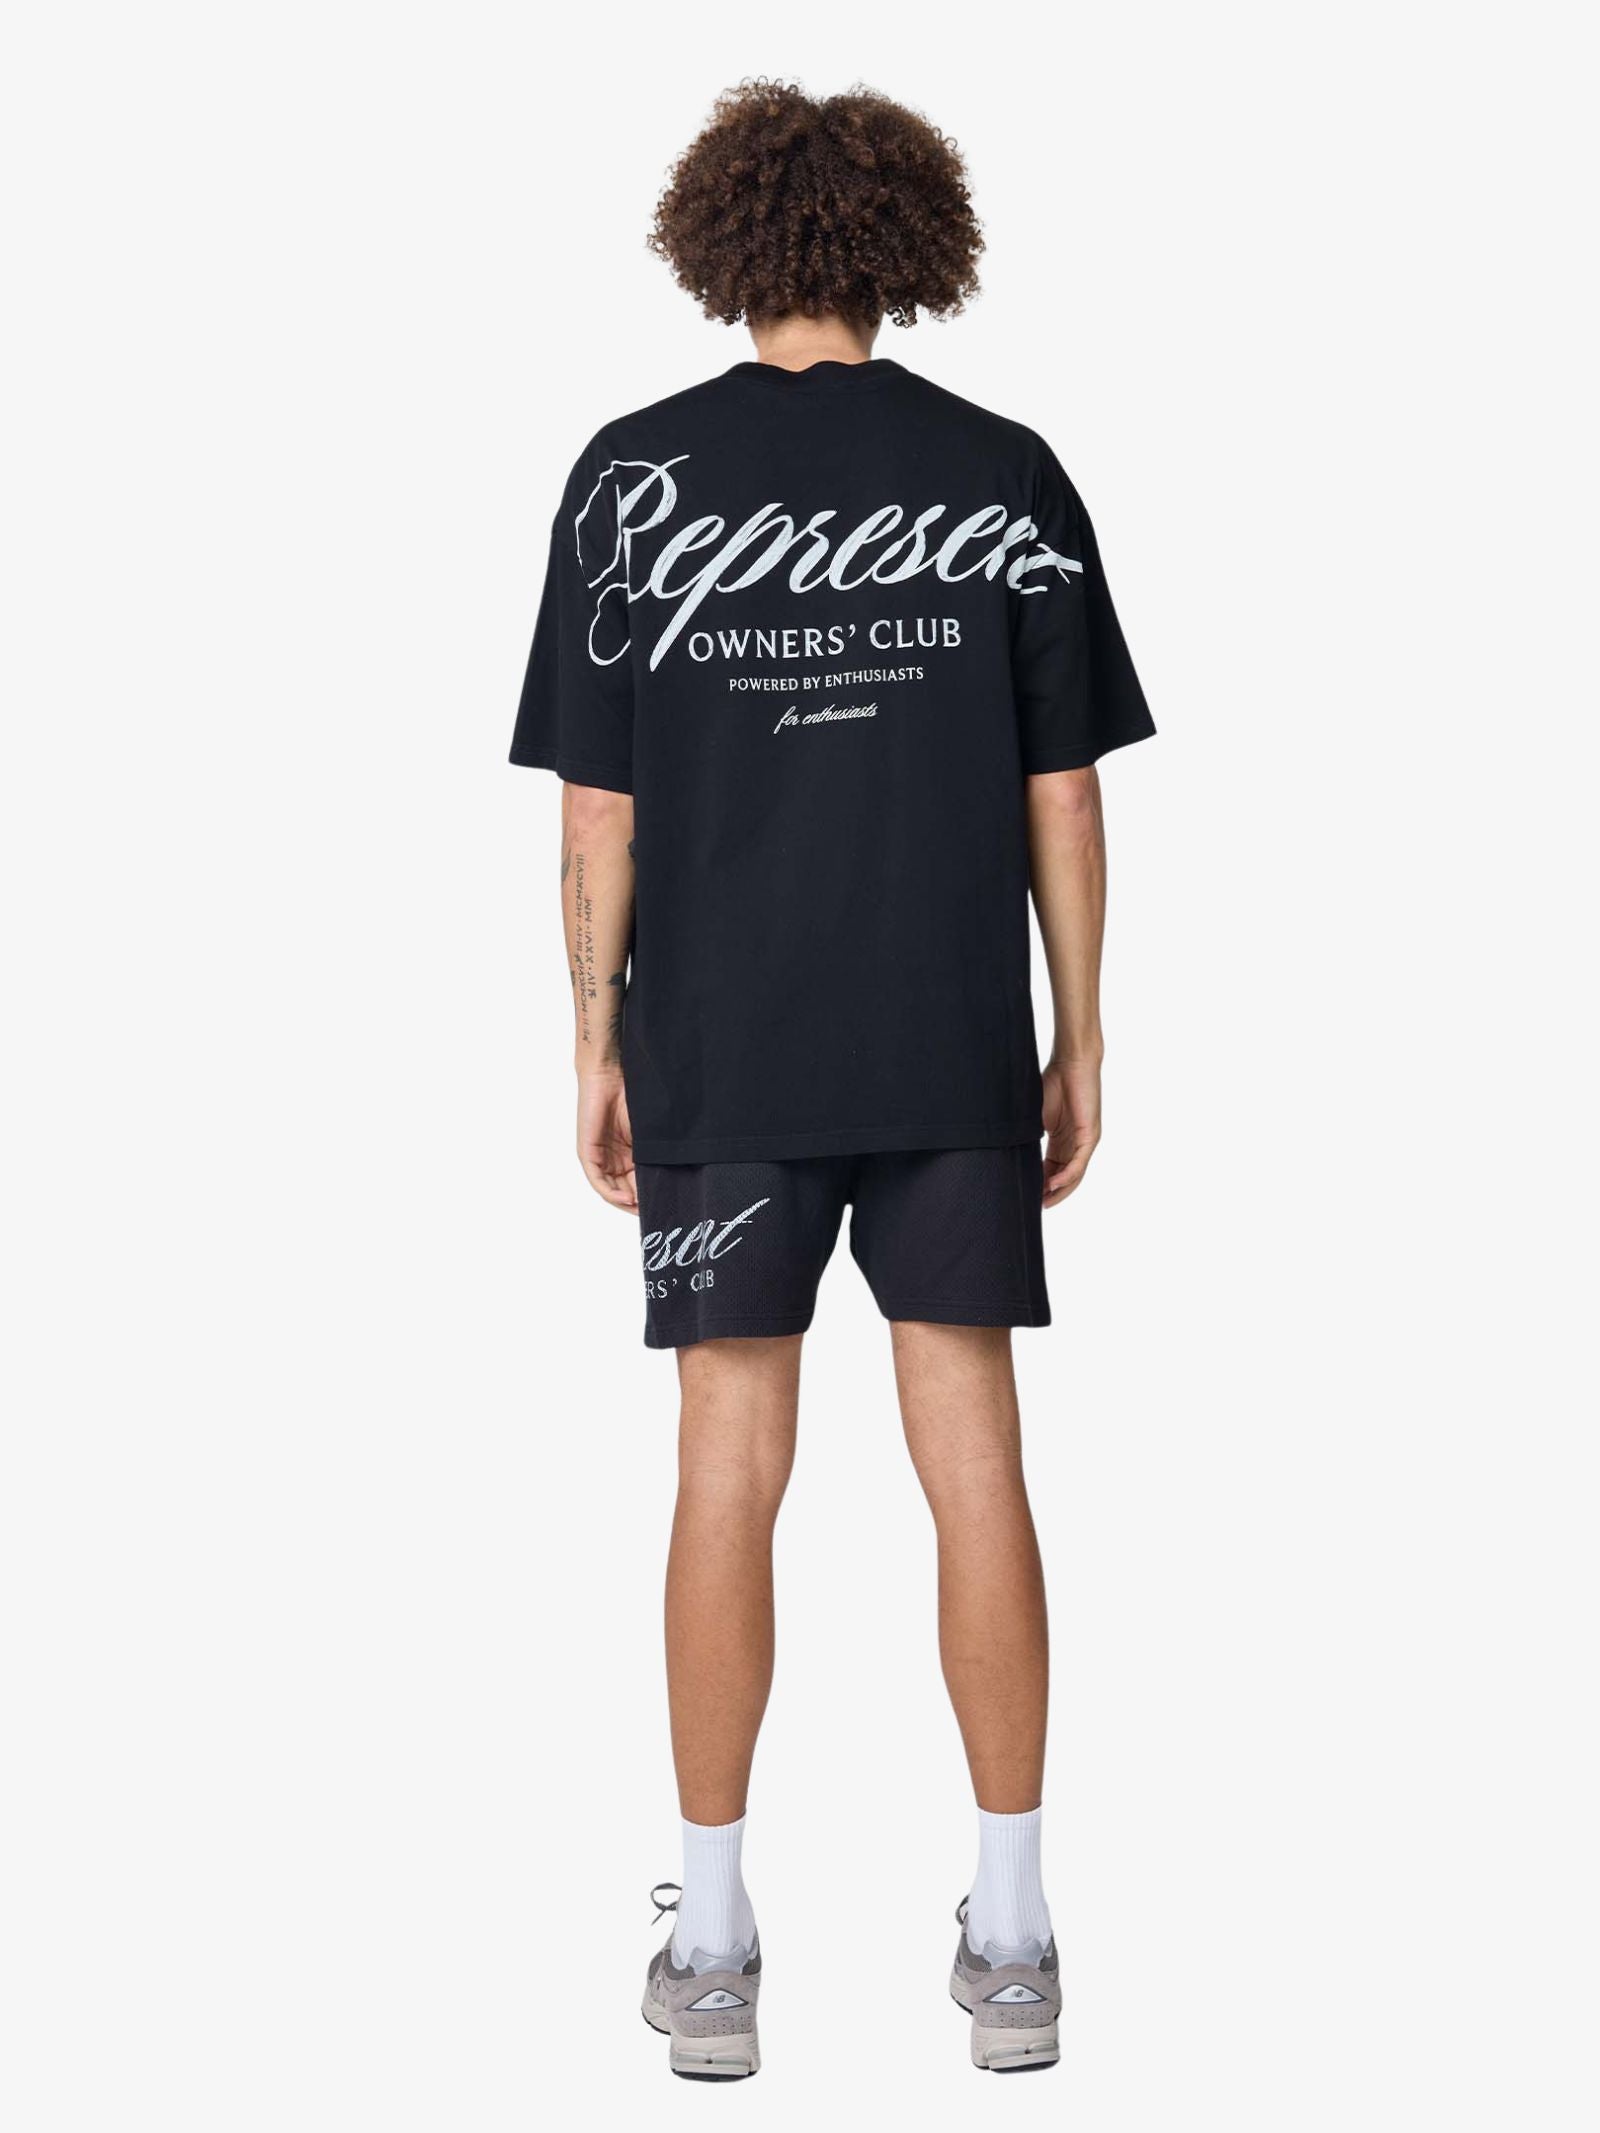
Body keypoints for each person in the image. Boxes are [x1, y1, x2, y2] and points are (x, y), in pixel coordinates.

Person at [510, 79, 1154, 2079]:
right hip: (946, 1038)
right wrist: (1077, 1029)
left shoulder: (634, 477)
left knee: (725, 1465)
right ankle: (1016, 1934)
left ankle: (710, 1949)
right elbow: (1064, 795)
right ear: (904, 245)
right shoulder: (1003, 472)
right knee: (978, 1461)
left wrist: (593, 1036)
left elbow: (595, 813)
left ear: (724, 244)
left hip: (723, 1045)